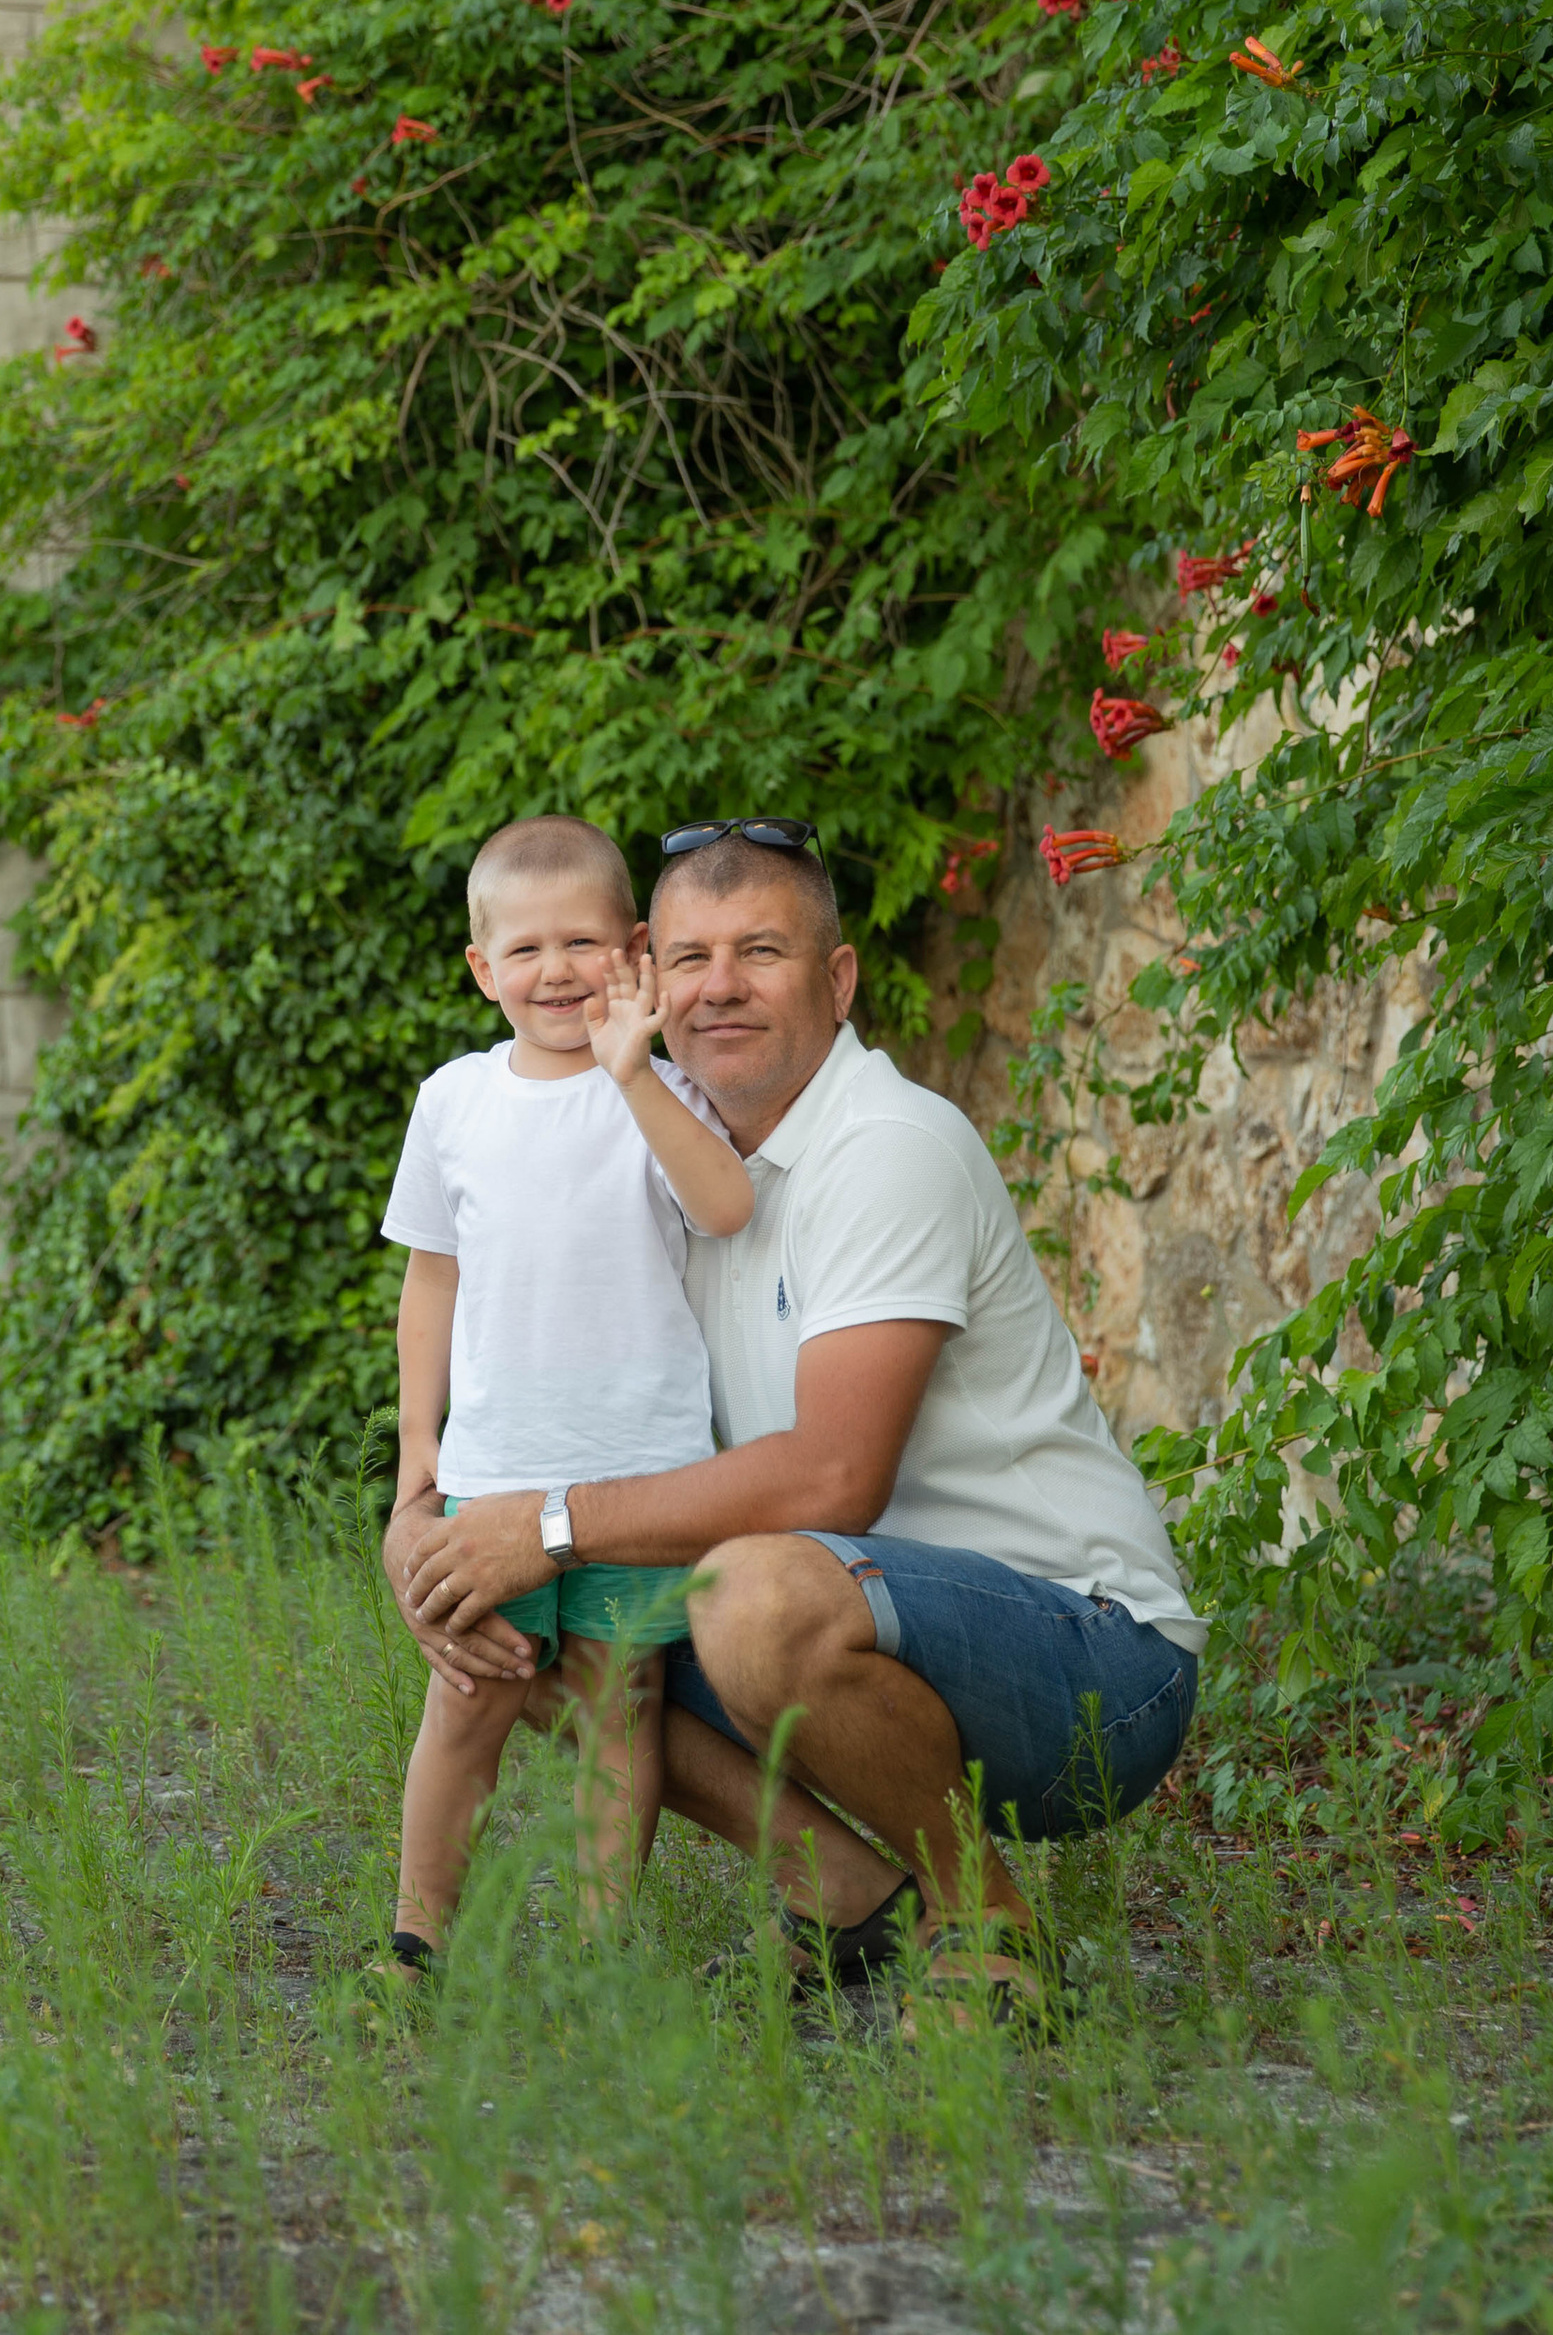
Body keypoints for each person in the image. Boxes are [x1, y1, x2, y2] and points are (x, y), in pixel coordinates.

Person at [387, 818, 1204, 2030]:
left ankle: (986, 1931)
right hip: (870, 1611)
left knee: (746, 1596)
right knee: (537, 1637)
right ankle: (847, 1894)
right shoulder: (672, 1168)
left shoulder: (885, 1149)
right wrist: (429, 1522)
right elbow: (513, 1353)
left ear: (838, 977)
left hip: (1083, 1656)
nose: (718, 986)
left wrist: (542, 1525)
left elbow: (831, 1478)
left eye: (760, 951)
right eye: (691, 957)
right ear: (649, 976)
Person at [376, 815, 754, 1979]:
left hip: (639, 1476)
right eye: (525, 949)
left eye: (582, 942)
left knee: (617, 1710)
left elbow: (725, 1207)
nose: (555, 971)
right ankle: (418, 1939)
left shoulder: (662, 1089)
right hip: (492, 1469)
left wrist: (632, 1071)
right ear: (481, 967)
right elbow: (430, 1283)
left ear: (633, 950)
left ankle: (600, 1954)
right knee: (468, 1698)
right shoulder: (453, 1101)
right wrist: (418, 1454)